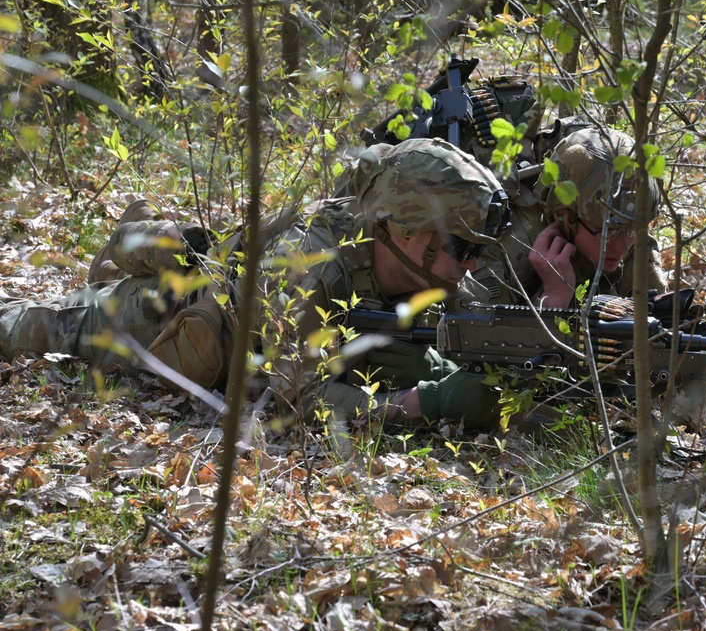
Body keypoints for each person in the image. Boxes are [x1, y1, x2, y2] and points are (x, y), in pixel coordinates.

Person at [0, 138, 511, 432]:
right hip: (159, 321)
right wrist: (421, 403)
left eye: (477, 251)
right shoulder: (310, 264)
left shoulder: (430, 274)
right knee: (22, 328)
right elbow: (291, 401)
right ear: (404, 228)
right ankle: (129, 252)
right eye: (462, 248)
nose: (470, 264)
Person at [462, 123, 669, 308]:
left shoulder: (624, 228)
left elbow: (658, 333)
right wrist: (556, 295)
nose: (623, 247)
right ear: (563, 216)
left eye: (634, 229)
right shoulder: (505, 247)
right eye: (607, 233)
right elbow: (480, 344)